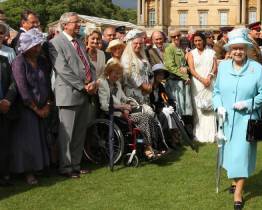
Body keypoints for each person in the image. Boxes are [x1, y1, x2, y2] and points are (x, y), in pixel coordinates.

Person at [213, 28, 262, 210]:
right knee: (229, 155)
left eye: (241, 48)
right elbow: (217, 92)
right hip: (227, 120)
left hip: (246, 120)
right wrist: (218, 105)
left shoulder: (256, 69)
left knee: (242, 155)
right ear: (229, 49)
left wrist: (247, 103)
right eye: (234, 48)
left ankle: (238, 192)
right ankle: (233, 181)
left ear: (246, 49)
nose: (237, 52)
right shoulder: (223, 67)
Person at [49, 12, 97, 179]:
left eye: (79, 22)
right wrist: (83, 87)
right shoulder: (55, 43)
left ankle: (76, 165)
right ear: (65, 25)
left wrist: (93, 82)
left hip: (84, 94)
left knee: (79, 133)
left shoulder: (79, 42)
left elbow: (89, 65)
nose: (79, 25)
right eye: (76, 22)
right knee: (67, 135)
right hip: (69, 95)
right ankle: (66, 167)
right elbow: (63, 70)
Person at [10, 28, 51, 185]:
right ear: (27, 47)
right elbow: (22, 88)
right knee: (28, 141)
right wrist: (36, 108)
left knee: (41, 138)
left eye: (39, 45)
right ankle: (28, 173)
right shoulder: (19, 62)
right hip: (26, 108)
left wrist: (47, 104)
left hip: (42, 106)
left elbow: (47, 82)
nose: (38, 48)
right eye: (35, 45)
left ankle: (41, 167)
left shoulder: (41, 61)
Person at [98, 62, 161, 158]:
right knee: (144, 117)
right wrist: (122, 107)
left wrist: (127, 105)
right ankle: (148, 148)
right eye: (115, 73)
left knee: (148, 116)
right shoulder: (102, 83)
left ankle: (151, 145)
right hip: (113, 115)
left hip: (123, 113)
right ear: (108, 72)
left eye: (119, 73)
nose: (117, 76)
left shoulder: (117, 84)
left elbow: (125, 98)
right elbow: (103, 106)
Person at [187, 32, 217, 143]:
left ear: (203, 40)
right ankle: (199, 134)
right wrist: (202, 79)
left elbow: (215, 67)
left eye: (199, 40)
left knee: (210, 108)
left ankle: (211, 134)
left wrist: (209, 77)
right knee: (198, 109)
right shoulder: (191, 53)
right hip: (197, 84)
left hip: (210, 82)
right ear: (193, 42)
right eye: (195, 41)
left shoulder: (211, 52)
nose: (198, 43)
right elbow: (192, 69)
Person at [164, 28, 193, 132]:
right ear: (169, 38)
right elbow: (170, 67)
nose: (176, 38)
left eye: (178, 36)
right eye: (173, 36)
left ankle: (184, 132)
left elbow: (184, 66)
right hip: (174, 82)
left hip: (182, 82)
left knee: (184, 108)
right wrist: (185, 76)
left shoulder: (180, 48)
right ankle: (177, 134)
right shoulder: (169, 49)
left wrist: (187, 69)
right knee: (177, 107)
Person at [121, 29, 152, 105]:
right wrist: (145, 87)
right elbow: (131, 76)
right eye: (136, 43)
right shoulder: (127, 58)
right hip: (134, 94)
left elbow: (150, 73)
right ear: (130, 44)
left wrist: (151, 85)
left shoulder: (143, 56)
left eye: (141, 43)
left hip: (146, 93)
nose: (138, 45)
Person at [0, 54, 17, 186]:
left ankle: (4, 175)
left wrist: (7, 100)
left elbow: (13, 82)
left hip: (5, 109)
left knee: (4, 144)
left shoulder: (4, 60)